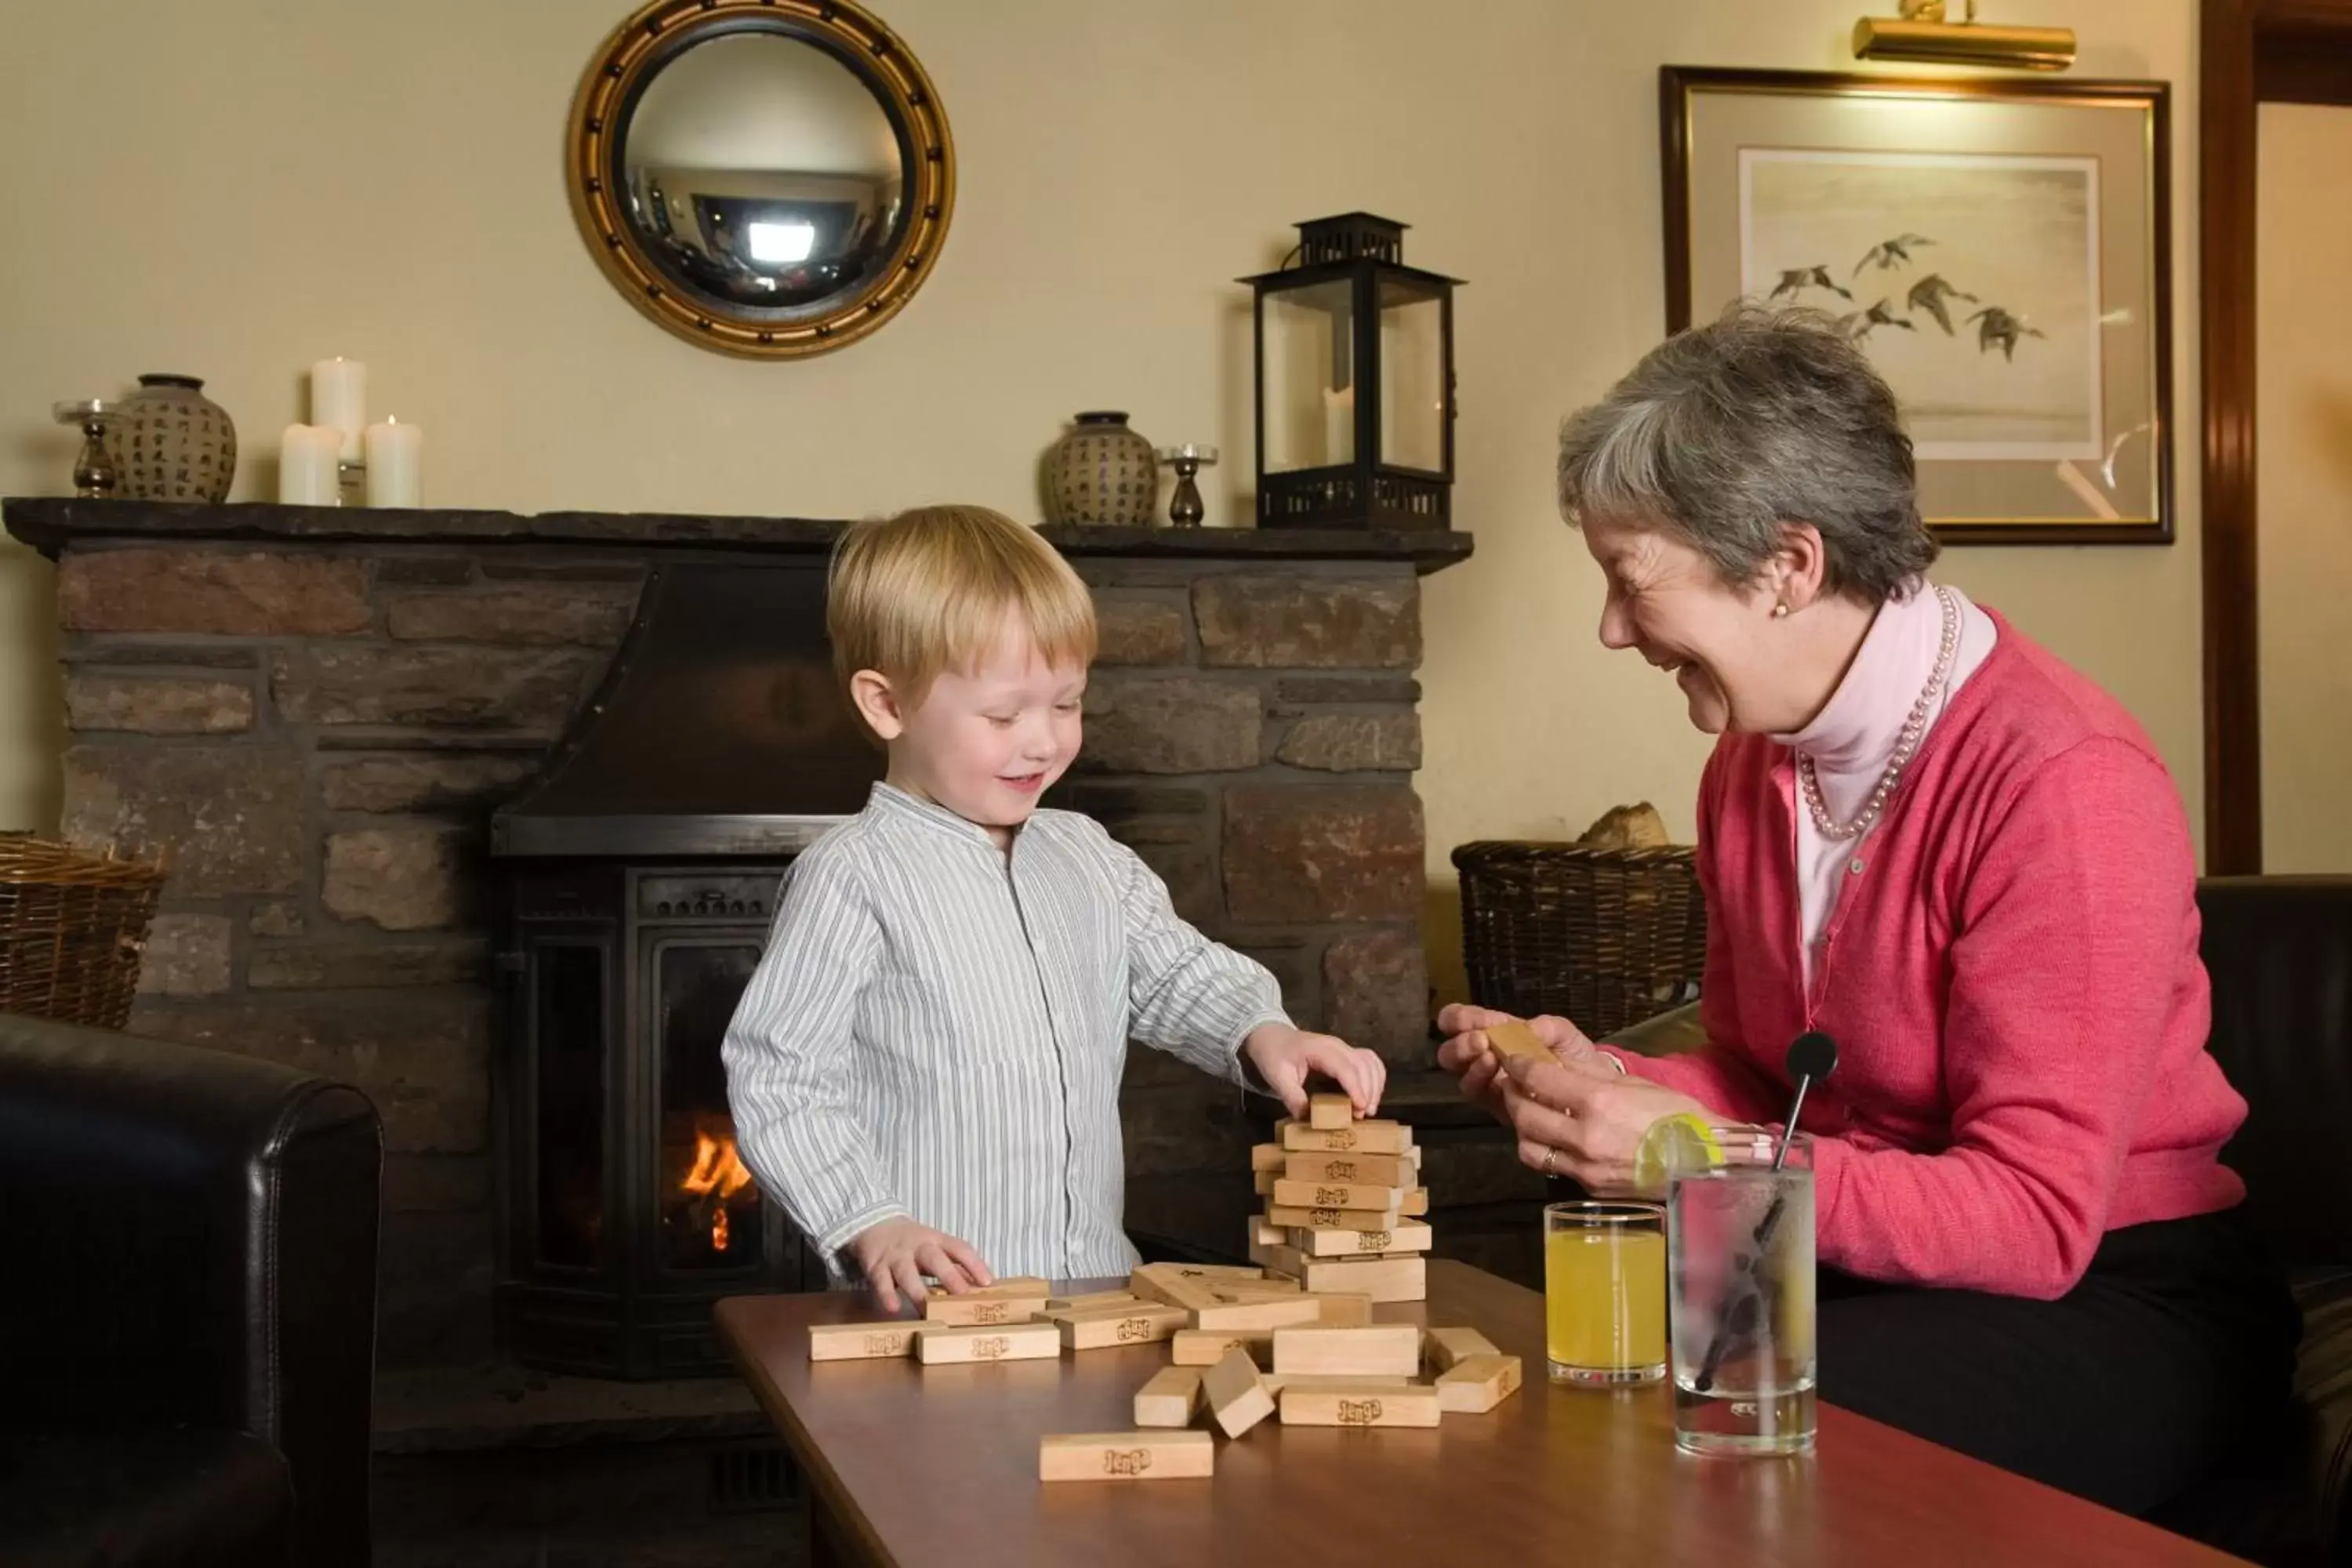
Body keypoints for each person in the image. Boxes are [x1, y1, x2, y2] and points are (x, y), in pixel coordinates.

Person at [1437, 306, 2299, 1522]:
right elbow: (1764, 1079)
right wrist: (1607, 1080)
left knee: (1714, 1429)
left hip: (2116, 1291)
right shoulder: (1752, 760)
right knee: (1566, 1400)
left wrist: (1692, 1162)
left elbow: (2037, 1219)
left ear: (1789, 566)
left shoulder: (2063, 777)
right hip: (1857, 1258)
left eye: (1631, 582)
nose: (1613, 628)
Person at [724, 504, 1384, 1310]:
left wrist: (1265, 1029)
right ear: (886, 705)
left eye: (1066, 704)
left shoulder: (1086, 855)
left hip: (1096, 1289)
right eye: (1004, 715)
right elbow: (781, 1075)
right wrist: (870, 1220)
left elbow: (1176, 972)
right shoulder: (853, 875)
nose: (1042, 741)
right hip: (934, 1309)